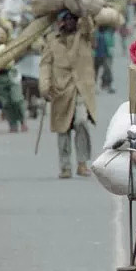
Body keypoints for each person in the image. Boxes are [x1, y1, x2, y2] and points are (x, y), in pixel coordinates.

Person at [40, 11, 96, 179]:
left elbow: (88, 24)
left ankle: (82, 163)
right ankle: (65, 167)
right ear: (62, 22)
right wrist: (44, 86)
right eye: (68, 19)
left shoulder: (84, 36)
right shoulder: (52, 40)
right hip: (60, 89)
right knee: (62, 129)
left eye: (74, 18)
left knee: (81, 122)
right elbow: (45, 64)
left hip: (81, 89)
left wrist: (82, 7)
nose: (71, 22)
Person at [94, 24, 116, 93]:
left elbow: (111, 44)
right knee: (95, 71)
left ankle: (108, 86)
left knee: (107, 70)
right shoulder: (96, 34)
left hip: (105, 55)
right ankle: (95, 86)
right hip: (96, 55)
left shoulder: (108, 34)